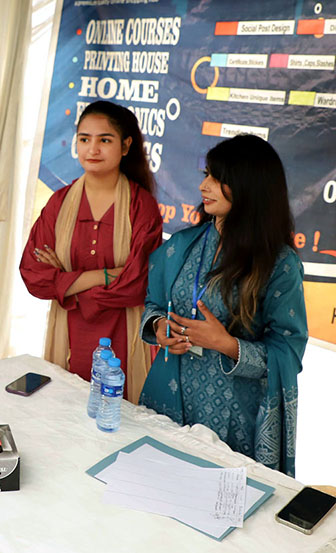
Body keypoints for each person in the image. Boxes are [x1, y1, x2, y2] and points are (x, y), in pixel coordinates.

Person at [139, 134, 307, 476]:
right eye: (206, 175)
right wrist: (159, 327)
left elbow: (288, 352)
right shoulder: (183, 245)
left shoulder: (278, 264)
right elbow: (154, 303)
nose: (205, 185)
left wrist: (226, 344)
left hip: (230, 420)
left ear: (250, 187)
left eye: (218, 178)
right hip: (168, 400)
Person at [20, 101, 162, 402]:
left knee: (117, 418)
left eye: (104, 140)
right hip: (68, 332)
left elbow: (138, 284)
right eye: (84, 139)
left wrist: (67, 282)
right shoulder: (59, 203)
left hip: (122, 333)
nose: (92, 149)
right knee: (65, 413)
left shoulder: (141, 206)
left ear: (125, 146)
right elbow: (35, 276)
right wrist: (104, 275)